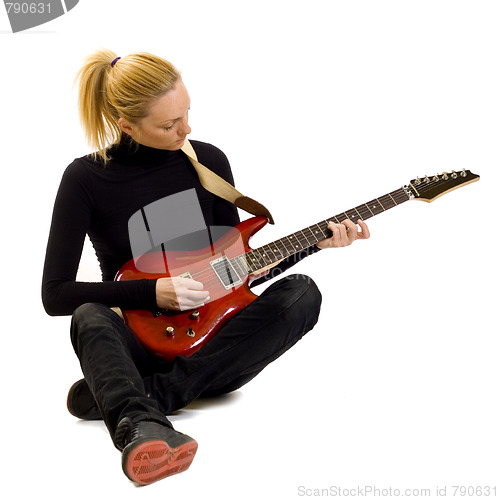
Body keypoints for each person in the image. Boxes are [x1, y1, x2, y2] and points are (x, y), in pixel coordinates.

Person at [41, 49, 370, 486]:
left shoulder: (208, 162)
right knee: (88, 317)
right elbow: (55, 294)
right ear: (126, 125)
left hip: (218, 348)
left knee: (302, 293)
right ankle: (137, 422)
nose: (186, 129)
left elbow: (235, 273)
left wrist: (315, 245)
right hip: (139, 343)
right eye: (168, 124)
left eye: (187, 113)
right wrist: (151, 293)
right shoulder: (85, 179)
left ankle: (136, 403)